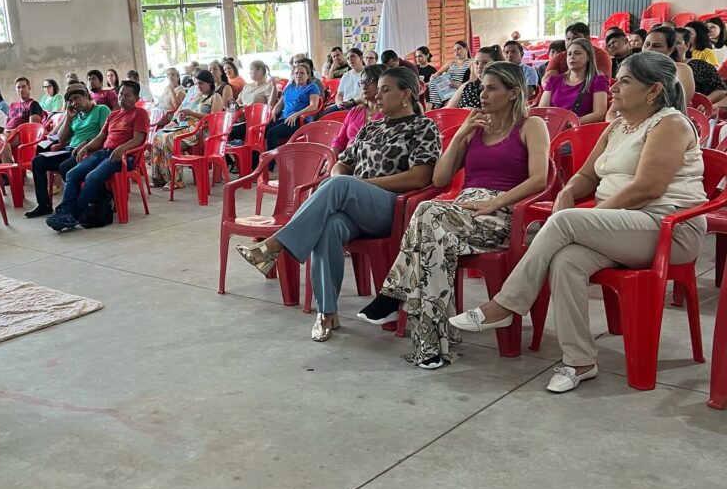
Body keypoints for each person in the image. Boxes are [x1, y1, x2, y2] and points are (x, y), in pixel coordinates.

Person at [451, 52, 705, 393]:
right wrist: (568, 192)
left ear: (653, 90)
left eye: (625, 81)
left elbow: (648, 188)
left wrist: (586, 215)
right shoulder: (618, 126)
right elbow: (586, 175)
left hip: (668, 229)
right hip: (623, 226)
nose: (614, 87)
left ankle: (506, 304)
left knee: (564, 224)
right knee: (566, 260)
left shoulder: (670, 124)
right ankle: (579, 360)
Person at [356, 61, 550, 369]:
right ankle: (430, 348)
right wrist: (460, 134)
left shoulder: (531, 126)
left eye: (492, 88)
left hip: (502, 214)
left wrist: (495, 202)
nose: (482, 94)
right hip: (461, 211)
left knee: (427, 213)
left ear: (514, 93)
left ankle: (395, 297)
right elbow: (439, 180)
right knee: (433, 238)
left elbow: (539, 179)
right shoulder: (475, 129)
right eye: (481, 87)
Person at [236, 67, 441, 340]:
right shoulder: (372, 126)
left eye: (385, 90)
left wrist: (358, 186)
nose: (377, 96)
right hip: (354, 202)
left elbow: (420, 177)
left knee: (341, 185)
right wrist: (343, 181)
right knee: (329, 226)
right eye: (376, 89)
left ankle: (276, 244)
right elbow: (343, 163)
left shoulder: (423, 126)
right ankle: (326, 313)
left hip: (391, 208)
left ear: (406, 94)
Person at [46, 81, 149, 231]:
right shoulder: (113, 115)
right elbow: (101, 137)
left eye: (128, 95)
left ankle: (74, 215)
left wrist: (122, 149)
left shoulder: (140, 113)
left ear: (136, 98)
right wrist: (86, 147)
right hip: (104, 153)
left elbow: (138, 139)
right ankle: (66, 212)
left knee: (92, 177)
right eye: (120, 94)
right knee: (72, 173)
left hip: (125, 157)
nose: (122, 98)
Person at [26, 82, 111, 218]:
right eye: (70, 100)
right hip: (70, 150)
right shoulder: (76, 115)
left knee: (65, 166)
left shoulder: (101, 110)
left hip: (90, 151)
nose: (73, 103)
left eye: (76, 98)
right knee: (38, 161)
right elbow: (61, 139)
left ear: (86, 96)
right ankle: (44, 205)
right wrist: (69, 118)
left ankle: (75, 202)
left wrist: (86, 144)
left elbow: (105, 135)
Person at [150, 69, 224, 189]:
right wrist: (174, 120)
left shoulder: (215, 97)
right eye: (196, 83)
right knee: (158, 136)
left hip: (200, 130)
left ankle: (176, 180)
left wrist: (192, 114)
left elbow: (213, 118)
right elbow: (181, 108)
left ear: (209, 83)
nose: (198, 86)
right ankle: (159, 177)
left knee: (170, 139)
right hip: (184, 126)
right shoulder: (193, 95)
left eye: (201, 83)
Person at [538, 38, 609, 124]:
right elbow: (542, 111)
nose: (572, 57)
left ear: (588, 57)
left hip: (580, 130)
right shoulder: (553, 81)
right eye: (569, 54)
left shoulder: (598, 80)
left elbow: (599, 114)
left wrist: (571, 123)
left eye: (577, 53)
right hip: (553, 129)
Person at [265, 61, 322, 150]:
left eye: (302, 73)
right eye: (296, 73)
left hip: (300, 120)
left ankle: (271, 162)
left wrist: (296, 114)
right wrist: (273, 113)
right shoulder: (289, 87)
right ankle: (258, 160)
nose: (298, 75)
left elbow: (313, 105)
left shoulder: (312, 87)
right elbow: (280, 104)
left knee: (272, 132)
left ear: (308, 75)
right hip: (285, 119)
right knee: (263, 130)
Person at [329, 64, 384, 155]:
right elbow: (339, 140)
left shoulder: (389, 112)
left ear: (381, 82)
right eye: (362, 82)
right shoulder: (356, 111)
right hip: (346, 161)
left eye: (369, 81)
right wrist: (331, 159)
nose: (364, 86)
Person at [637, 26, 696, 105]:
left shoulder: (681, 69)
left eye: (656, 46)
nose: (649, 49)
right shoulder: (634, 67)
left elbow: (681, 104)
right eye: (647, 44)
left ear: (670, 50)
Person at [543, 23, 614, 81]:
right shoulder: (559, 57)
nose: (571, 42)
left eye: (576, 38)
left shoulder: (601, 55)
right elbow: (547, 80)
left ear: (587, 39)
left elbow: (600, 81)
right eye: (568, 39)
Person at [445, 45, 502, 110]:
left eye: (485, 63)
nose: (479, 66)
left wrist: (476, 112)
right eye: (477, 63)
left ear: (496, 64)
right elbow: (448, 109)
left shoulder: (501, 88)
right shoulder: (467, 86)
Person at [427, 40, 473, 108]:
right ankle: (430, 111)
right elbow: (438, 73)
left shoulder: (472, 62)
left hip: (460, 88)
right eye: (454, 51)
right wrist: (434, 76)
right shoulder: (451, 62)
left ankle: (440, 108)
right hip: (447, 87)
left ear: (466, 49)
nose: (456, 52)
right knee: (431, 83)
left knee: (434, 89)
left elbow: (472, 80)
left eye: (458, 49)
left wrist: (459, 85)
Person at [323, 48, 365, 115]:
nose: (350, 59)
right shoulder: (346, 75)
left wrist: (351, 103)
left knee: (345, 115)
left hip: (358, 104)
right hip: (344, 104)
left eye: (352, 56)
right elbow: (339, 94)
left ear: (361, 57)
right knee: (324, 115)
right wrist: (339, 102)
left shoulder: (367, 73)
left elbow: (366, 96)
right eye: (348, 58)